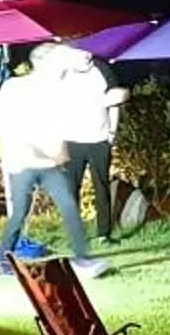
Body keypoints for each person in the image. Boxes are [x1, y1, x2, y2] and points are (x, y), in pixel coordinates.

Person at [0, 41, 107, 277]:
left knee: (69, 205)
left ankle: (83, 259)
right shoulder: (15, 87)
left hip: (50, 163)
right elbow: (0, 121)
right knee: (21, 211)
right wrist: (25, 146)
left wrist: (60, 148)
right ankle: (4, 258)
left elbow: (59, 122)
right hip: (22, 162)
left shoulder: (57, 91)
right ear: (40, 63)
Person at [44, 44, 128, 269]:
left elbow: (116, 100)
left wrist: (111, 134)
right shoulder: (65, 73)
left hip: (99, 138)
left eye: (87, 52)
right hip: (73, 139)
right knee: (72, 187)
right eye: (80, 52)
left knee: (101, 186)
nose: (85, 56)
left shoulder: (102, 70)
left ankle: (104, 234)